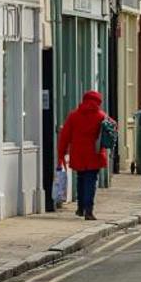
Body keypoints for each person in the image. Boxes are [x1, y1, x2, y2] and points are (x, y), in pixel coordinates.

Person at [56, 88, 109, 220]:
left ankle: (80, 208)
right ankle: (89, 210)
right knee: (91, 181)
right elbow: (112, 131)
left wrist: (61, 153)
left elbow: (64, 136)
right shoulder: (102, 116)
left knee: (80, 179)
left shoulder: (73, 116)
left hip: (78, 153)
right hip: (94, 153)